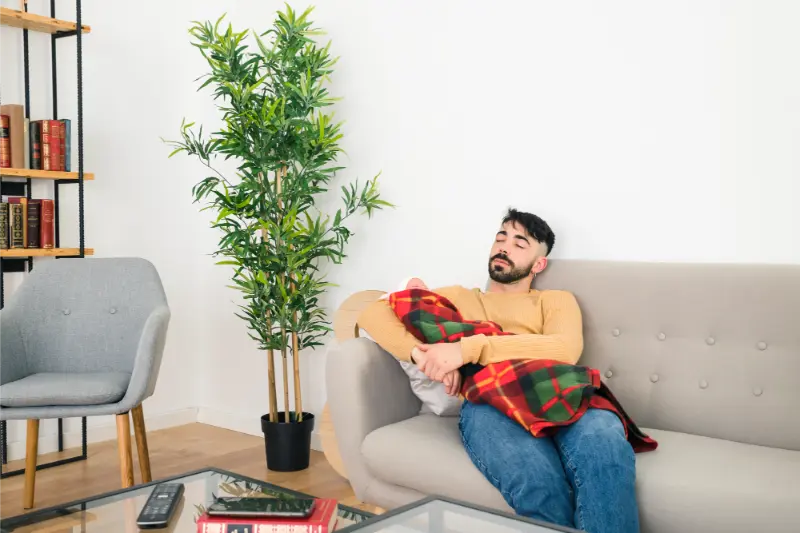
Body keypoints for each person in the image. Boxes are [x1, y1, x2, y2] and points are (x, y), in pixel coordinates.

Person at [358, 208, 640, 533]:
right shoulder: (458, 298)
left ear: (538, 264)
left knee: (604, 454)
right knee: (538, 483)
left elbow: (564, 349)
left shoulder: (555, 300)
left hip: (562, 392)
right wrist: (427, 356)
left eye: (520, 243)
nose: (504, 246)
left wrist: (466, 349)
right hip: (491, 405)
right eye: (500, 237)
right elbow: (373, 312)